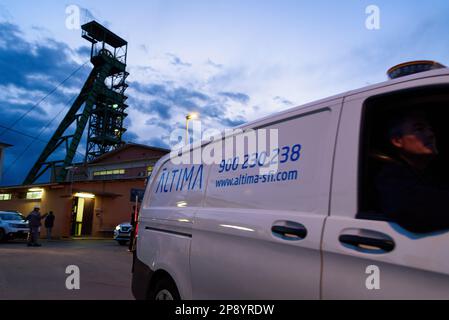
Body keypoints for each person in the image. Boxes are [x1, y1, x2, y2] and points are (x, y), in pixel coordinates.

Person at [376, 111, 449, 233]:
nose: (431, 134)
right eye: (419, 129)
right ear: (397, 141)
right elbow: (417, 214)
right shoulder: (391, 177)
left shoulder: (432, 173)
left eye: (430, 129)